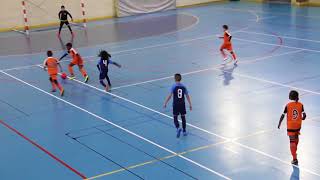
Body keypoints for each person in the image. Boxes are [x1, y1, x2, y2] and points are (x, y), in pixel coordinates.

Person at [278, 90, 306, 165]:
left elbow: (283, 115)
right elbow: (304, 115)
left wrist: (279, 123)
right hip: (298, 125)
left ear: (291, 97)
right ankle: (295, 151)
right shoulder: (301, 104)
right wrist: (302, 118)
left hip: (291, 126)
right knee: (296, 139)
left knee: (292, 141)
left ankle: (294, 159)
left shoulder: (288, 105)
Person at [164, 74, 192, 138]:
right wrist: (190, 104)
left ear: (175, 79)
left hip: (176, 104)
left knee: (175, 117)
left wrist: (165, 102)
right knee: (183, 117)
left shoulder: (173, 86)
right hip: (182, 104)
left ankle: (178, 128)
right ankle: (184, 131)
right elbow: (187, 96)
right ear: (180, 79)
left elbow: (170, 96)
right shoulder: (184, 87)